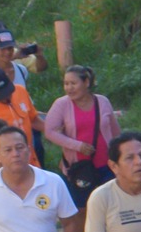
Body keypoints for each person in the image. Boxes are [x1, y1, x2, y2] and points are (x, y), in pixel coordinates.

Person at [42, 64, 120, 211]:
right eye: (66, 84)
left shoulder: (102, 102)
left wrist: (120, 156)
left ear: (86, 83)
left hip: (107, 164)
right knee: (82, 208)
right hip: (79, 168)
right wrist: (77, 146)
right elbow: (50, 131)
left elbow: (115, 130)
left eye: (73, 83)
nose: (69, 88)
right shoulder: (61, 104)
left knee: (111, 206)